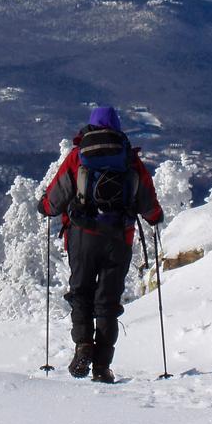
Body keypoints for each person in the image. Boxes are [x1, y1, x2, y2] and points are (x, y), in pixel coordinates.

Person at [38, 106, 163, 383]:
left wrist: (45, 207)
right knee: (107, 302)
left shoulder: (78, 156)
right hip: (118, 238)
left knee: (81, 293)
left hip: (82, 236)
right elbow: (147, 202)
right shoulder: (129, 159)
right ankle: (102, 368)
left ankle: (83, 345)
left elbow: (55, 197)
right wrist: (155, 217)